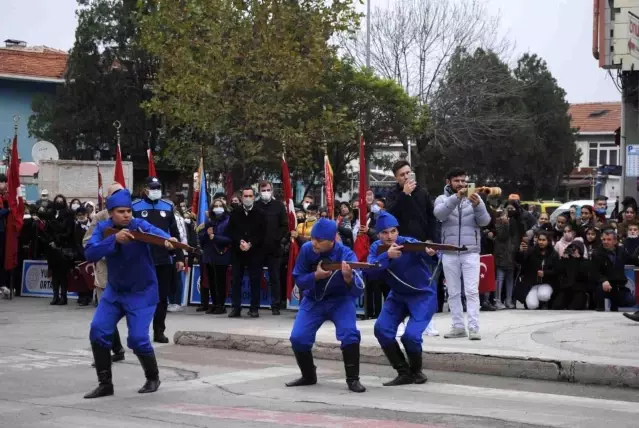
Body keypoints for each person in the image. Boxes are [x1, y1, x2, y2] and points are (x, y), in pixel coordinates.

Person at [83, 188, 179, 399]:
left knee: (137, 339)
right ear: (111, 213)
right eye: (121, 211)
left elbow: (155, 233)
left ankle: (153, 377)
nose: (127, 215)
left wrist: (168, 240)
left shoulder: (138, 225)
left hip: (142, 292)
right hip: (115, 291)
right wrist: (114, 240)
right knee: (98, 330)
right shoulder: (102, 228)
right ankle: (105, 383)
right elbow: (90, 253)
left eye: (128, 210)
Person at [287, 218, 366, 393]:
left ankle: (353, 379)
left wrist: (348, 279)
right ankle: (308, 375)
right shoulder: (307, 249)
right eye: (312, 238)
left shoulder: (347, 254)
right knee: (298, 338)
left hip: (340, 300)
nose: (313, 242)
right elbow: (298, 277)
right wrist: (315, 276)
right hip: (314, 299)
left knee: (349, 334)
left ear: (332, 240)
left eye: (319, 240)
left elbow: (359, 289)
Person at [367, 212, 437, 386]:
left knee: (411, 336)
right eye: (384, 233)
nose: (390, 236)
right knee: (381, 329)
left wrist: (430, 252)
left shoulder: (409, 243)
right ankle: (403, 372)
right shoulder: (376, 248)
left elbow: (430, 255)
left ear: (398, 231)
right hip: (398, 296)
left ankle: (416, 371)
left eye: (393, 231)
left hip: (422, 295)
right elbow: (369, 271)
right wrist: (387, 257)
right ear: (378, 234)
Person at [434, 168, 491, 340]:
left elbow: (485, 221)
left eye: (463, 181)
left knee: (472, 291)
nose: (461, 184)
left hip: (470, 251)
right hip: (449, 251)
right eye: (457, 181)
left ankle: (474, 327)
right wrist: (456, 197)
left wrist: (478, 205)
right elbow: (439, 215)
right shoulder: (442, 199)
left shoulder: (475, 198)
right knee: (453, 292)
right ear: (448, 182)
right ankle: (458, 326)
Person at [131, 177, 184, 343]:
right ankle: (141, 331)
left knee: (162, 298)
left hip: (163, 259)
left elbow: (175, 233)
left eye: (158, 187)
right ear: (146, 189)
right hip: (142, 259)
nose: (156, 190)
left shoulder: (167, 206)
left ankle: (159, 331)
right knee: (142, 297)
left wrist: (179, 256)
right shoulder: (135, 207)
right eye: (153, 187)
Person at [84, 183, 126, 365]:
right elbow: (87, 241)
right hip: (106, 273)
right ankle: (111, 351)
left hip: (128, 273)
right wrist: (108, 247)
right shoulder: (100, 218)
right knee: (104, 317)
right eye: (115, 194)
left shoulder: (131, 216)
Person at [227, 186, 266, 318]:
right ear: (241, 197)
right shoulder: (235, 212)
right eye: (245, 196)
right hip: (238, 252)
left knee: (255, 280)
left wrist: (250, 244)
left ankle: (254, 308)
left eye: (250, 196)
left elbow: (263, 233)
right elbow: (231, 231)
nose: (248, 198)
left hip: (255, 252)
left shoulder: (260, 213)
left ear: (254, 197)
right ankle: (236, 307)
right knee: (236, 279)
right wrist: (240, 242)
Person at [255, 180, 288, 315]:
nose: (266, 193)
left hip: (274, 248)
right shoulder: (255, 206)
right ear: (259, 192)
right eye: (263, 190)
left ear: (272, 191)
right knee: (256, 277)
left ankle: (276, 304)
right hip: (257, 248)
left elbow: (284, 225)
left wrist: (277, 239)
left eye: (268, 190)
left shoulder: (279, 206)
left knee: (274, 277)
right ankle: (254, 305)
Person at [386, 161, 436, 242]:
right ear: (396, 178)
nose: (406, 177)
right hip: (400, 241)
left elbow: (431, 217)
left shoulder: (422, 192)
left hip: (422, 241)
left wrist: (431, 238)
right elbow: (391, 214)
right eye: (402, 175)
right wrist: (404, 194)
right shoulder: (391, 194)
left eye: (408, 173)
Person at [198, 199, 232, 314]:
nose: (217, 208)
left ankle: (221, 305)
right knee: (211, 281)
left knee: (220, 281)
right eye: (215, 206)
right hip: (209, 255)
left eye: (220, 205)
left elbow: (230, 239)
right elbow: (202, 239)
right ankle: (214, 303)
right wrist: (206, 234)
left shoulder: (228, 220)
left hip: (221, 255)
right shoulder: (209, 221)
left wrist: (215, 237)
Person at [593, 229, 637, 312]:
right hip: (604, 284)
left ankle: (615, 305)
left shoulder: (621, 250)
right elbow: (594, 272)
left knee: (631, 300)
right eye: (604, 239)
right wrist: (603, 280)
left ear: (615, 241)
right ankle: (600, 308)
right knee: (599, 290)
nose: (605, 242)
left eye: (609, 239)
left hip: (618, 285)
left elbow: (632, 260)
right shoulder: (596, 253)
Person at [44, 194, 76, 306]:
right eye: (56, 201)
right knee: (54, 274)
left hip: (63, 248)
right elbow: (47, 231)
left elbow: (68, 232)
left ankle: (63, 297)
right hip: (52, 249)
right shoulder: (51, 215)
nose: (58, 203)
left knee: (62, 274)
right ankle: (55, 296)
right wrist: (51, 241)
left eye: (60, 201)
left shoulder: (69, 215)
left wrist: (57, 241)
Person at [515, 231, 558, 310]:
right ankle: (536, 301)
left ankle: (544, 303)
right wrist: (521, 252)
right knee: (532, 305)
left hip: (546, 283)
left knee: (544, 295)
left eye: (544, 240)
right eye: (540, 240)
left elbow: (556, 271)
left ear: (548, 241)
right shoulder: (531, 251)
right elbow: (521, 263)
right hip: (532, 284)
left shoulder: (553, 254)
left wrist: (545, 273)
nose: (541, 242)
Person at [552, 241, 590, 310]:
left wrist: (578, 258)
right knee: (557, 306)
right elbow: (558, 271)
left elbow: (584, 276)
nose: (573, 250)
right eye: (571, 248)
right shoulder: (566, 260)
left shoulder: (585, 262)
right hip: (566, 289)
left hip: (579, 290)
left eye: (575, 248)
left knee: (574, 307)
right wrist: (563, 259)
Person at [74, 206, 92, 306]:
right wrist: (83, 253)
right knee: (81, 277)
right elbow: (77, 242)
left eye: (83, 215)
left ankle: (90, 296)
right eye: (79, 215)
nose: (81, 217)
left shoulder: (92, 224)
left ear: (87, 215)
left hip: (92, 253)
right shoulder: (76, 226)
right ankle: (82, 296)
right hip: (81, 255)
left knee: (91, 276)